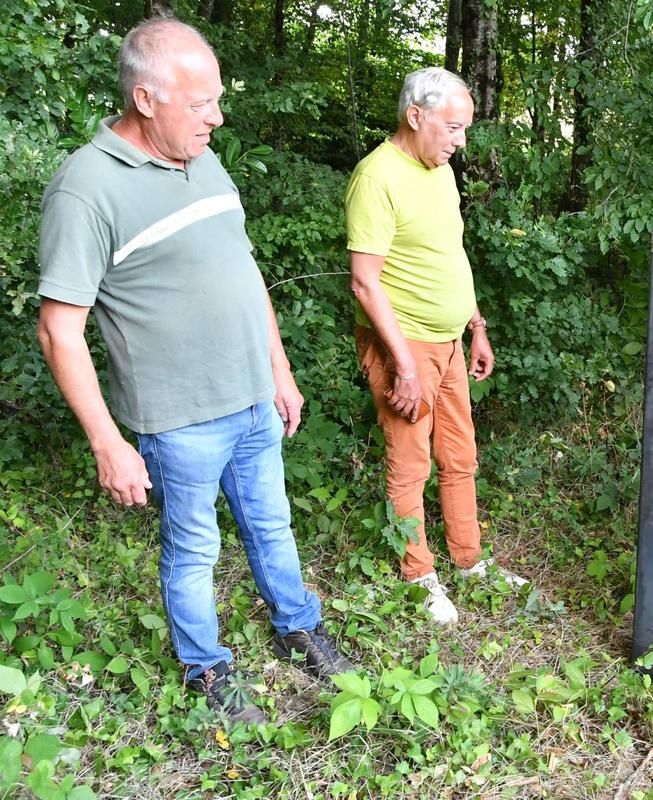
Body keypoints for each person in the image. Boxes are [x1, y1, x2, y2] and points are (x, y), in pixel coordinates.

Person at [37, 16, 352, 725]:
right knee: (193, 550)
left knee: (273, 525)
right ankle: (206, 669)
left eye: (217, 100)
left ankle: (298, 626)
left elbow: (244, 270)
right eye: (200, 102)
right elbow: (60, 330)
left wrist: (279, 369)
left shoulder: (203, 158)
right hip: (179, 419)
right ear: (146, 99)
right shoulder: (86, 189)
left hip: (253, 398)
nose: (216, 117)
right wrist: (107, 443)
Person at [345, 67, 528, 625]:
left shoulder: (440, 171)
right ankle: (418, 575)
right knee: (411, 464)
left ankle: (468, 562)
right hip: (406, 347)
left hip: (448, 342)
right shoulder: (376, 178)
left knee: (459, 455)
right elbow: (364, 283)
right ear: (415, 116)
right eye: (452, 128)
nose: (460, 141)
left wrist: (475, 325)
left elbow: (449, 254)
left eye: (464, 128)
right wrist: (402, 365)